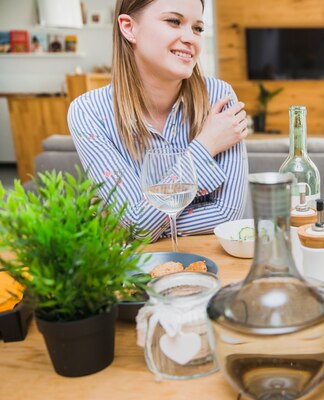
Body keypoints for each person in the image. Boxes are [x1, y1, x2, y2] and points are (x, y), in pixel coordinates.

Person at [68, 0, 248, 242]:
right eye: (174, 21)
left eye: (198, 28)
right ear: (129, 28)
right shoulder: (88, 112)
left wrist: (135, 224)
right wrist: (205, 146)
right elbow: (138, 226)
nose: (191, 39)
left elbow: (228, 214)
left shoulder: (219, 97)